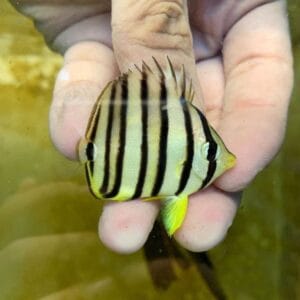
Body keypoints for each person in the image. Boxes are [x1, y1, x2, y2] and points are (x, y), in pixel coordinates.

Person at [10, 0, 293, 254]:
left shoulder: (191, 135)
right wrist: (156, 32)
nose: (225, 159)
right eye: (210, 152)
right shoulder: (188, 130)